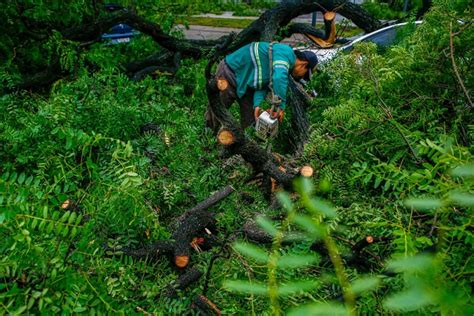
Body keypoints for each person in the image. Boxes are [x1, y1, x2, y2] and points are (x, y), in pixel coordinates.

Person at [206, 42, 318, 130]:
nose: (301, 78)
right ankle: (206, 144)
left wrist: (257, 105)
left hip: (247, 82)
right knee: (217, 111)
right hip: (231, 72)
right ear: (304, 64)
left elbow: (262, 85)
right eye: (304, 75)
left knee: (251, 121)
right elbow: (278, 78)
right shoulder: (286, 53)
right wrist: (281, 106)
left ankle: (244, 152)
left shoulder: (283, 65)